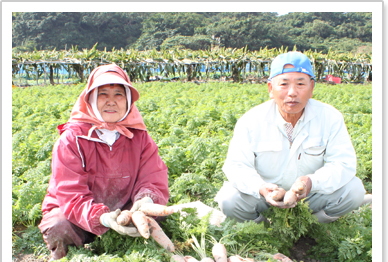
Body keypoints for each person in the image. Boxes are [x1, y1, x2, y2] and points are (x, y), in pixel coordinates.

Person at [215, 51, 370, 224]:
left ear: (311, 88)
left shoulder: (330, 117)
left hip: (310, 197)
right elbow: (236, 166)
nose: (292, 92)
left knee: (354, 191)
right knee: (229, 199)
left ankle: (311, 227)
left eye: (300, 84)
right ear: (270, 89)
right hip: (265, 198)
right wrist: (262, 188)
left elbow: (343, 163)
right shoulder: (251, 121)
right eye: (284, 84)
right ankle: (265, 230)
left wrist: (311, 182)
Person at [38, 64, 169, 261]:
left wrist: (144, 202)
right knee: (59, 225)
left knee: (158, 214)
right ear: (90, 99)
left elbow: (152, 177)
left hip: (124, 213)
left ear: (128, 101)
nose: (111, 102)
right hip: (77, 217)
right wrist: (104, 218)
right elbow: (71, 195)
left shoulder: (140, 138)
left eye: (118, 94)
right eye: (103, 94)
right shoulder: (72, 139)